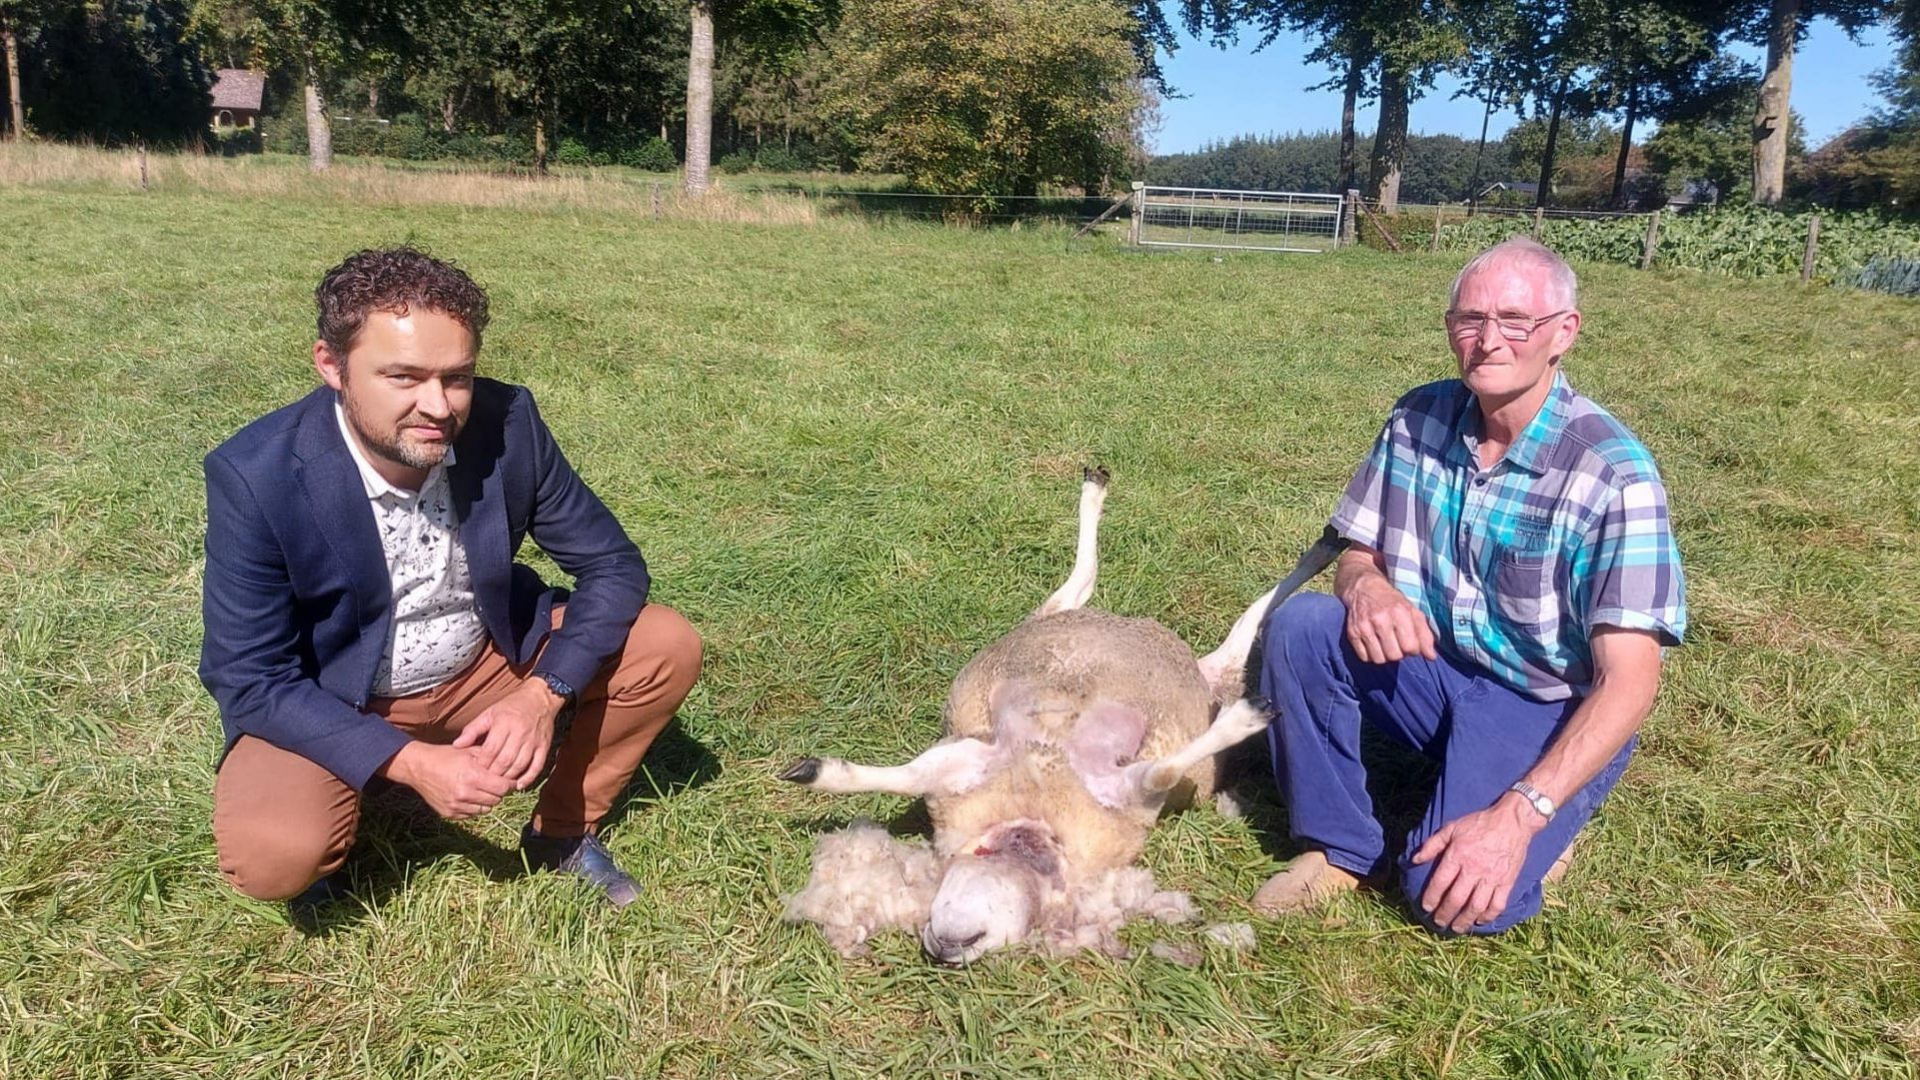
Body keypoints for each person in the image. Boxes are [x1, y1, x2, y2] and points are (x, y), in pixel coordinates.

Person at [200, 246, 702, 909]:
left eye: (456, 377)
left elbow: (611, 565)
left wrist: (541, 698)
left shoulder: (508, 423)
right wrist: (410, 762)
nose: (437, 406)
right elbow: (249, 676)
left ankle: (562, 832)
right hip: (341, 692)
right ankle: (361, 787)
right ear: (332, 365)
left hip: (484, 662)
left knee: (665, 645)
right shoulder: (257, 474)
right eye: (403, 377)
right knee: (272, 859)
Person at [1217, 237, 1685, 935]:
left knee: (1448, 901)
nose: (1488, 341)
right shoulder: (1417, 418)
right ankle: (1340, 846)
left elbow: (1631, 681)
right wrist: (1365, 586)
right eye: (1470, 320)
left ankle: (1563, 798)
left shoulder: (1613, 475)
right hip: (1436, 666)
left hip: (1541, 702)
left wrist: (1520, 813)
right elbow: (1357, 550)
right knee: (1304, 627)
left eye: (1514, 321)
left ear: (1564, 333)